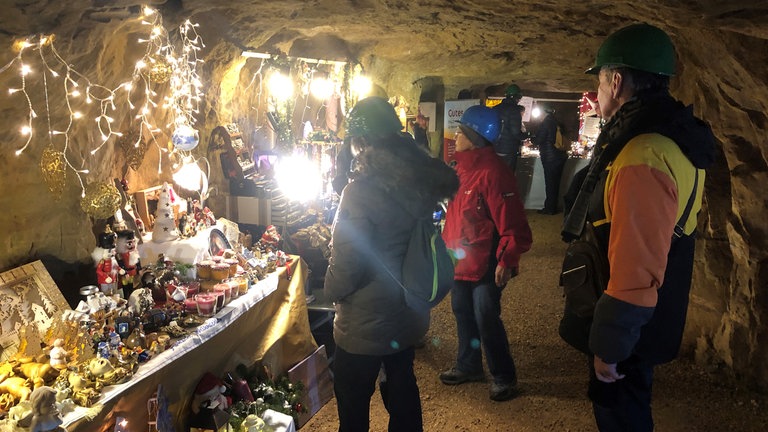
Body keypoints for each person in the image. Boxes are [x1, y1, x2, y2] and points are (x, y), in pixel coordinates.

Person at [568, 23, 715, 430]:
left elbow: (636, 266)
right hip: (644, 324)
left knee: (622, 417)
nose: (596, 93)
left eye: (598, 80)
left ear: (616, 81)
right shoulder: (668, 139)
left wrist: (610, 347)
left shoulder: (643, 154)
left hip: (630, 335)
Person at [324, 96, 459, 431]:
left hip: (365, 324)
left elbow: (347, 262)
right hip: (406, 310)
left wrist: (329, 291)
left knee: (353, 398)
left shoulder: (360, 191)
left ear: (361, 142)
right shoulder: (417, 178)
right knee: (401, 385)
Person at [439, 105, 533, 402]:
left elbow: (513, 224)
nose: (455, 136)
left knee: (486, 315)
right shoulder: (462, 169)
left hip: (486, 263)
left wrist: (507, 259)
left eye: (461, 132)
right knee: (462, 311)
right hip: (461, 259)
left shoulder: (494, 173)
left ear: (475, 137)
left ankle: (504, 376)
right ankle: (469, 365)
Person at [533, 106, 568, 215]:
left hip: (550, 157)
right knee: (556, 183)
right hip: (559, 155)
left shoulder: (546, 123)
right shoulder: (555, 122)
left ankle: (550, 208)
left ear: (544, 112)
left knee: (550, 183)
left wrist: (531, 138)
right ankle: (553, 206)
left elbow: (539, 140)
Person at [492, 84, 525, 171]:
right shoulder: (515, 110)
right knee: (508, 177)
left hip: (495, 148)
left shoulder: (495, 109)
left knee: (496, 175)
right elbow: (516, 132)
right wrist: (526, 136)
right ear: (518, 97)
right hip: (508, 150)